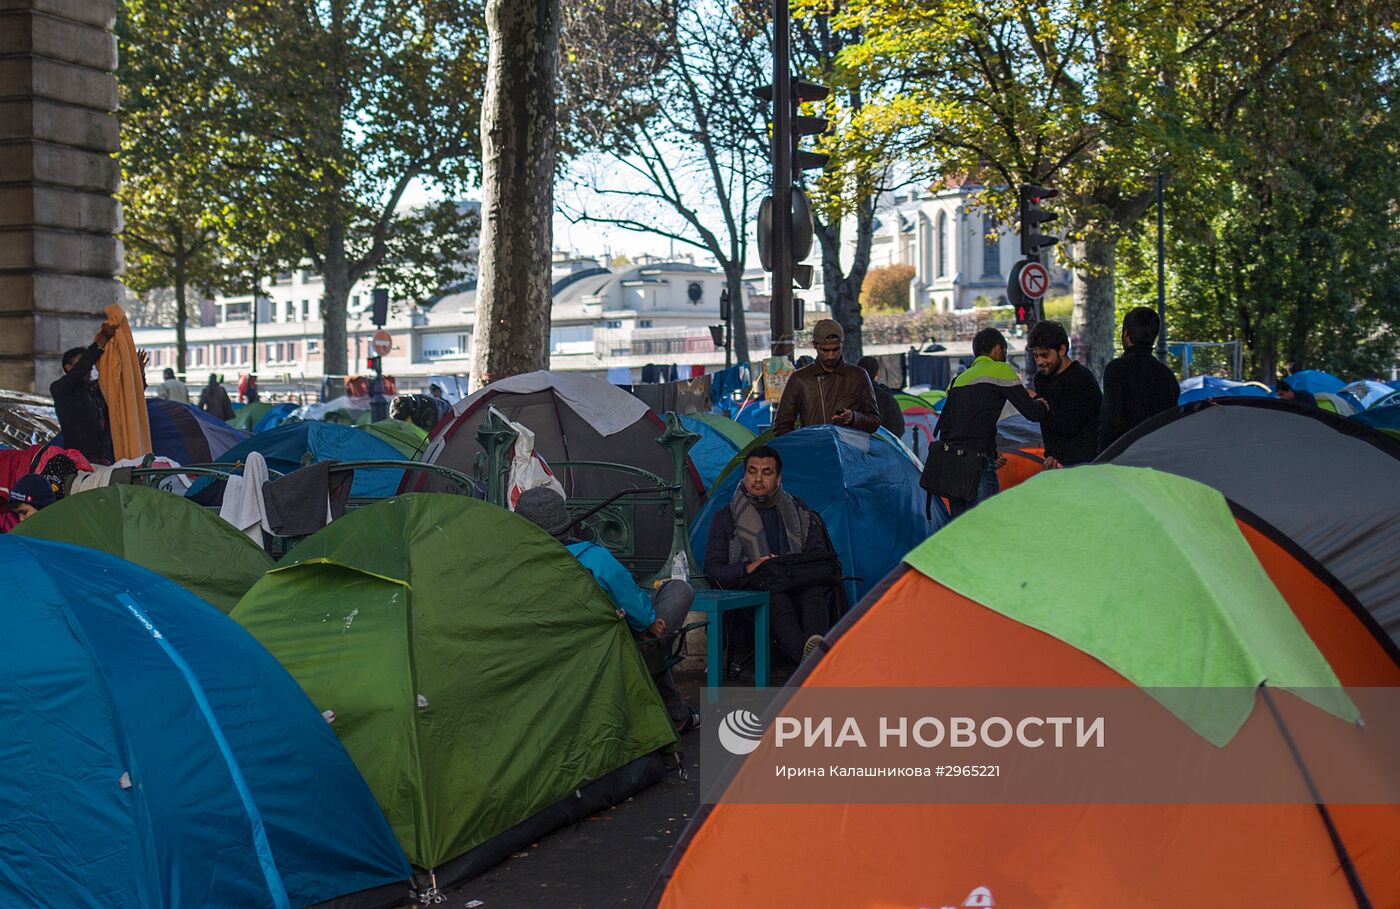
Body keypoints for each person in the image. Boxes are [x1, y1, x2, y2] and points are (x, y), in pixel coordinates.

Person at [513, 486, 700, 733]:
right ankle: (677, 715)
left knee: (648, 635)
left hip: (546, 656)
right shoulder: (593, 559)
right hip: (607, 653)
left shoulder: (513, 566)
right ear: (566, 522)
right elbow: (645, 617)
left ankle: (676, 713)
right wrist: (642, 624)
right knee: (677, 593)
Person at [704, 446, 836, 664]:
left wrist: (791, 566)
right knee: (775, 597)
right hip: (755, 589)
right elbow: (712, 569)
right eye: (752, 471)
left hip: (797, 582)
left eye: (766, 473)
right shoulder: (725, 517)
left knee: (814, 592)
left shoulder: (798, 510)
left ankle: (813, 658)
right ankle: (812, 664)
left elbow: (817, 555)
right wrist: (750, 567)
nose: (757, 479)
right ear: (744, 475)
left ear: (778, 478)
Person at [934, 328, 1049, 516]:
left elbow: (962, 424)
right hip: (977, 463)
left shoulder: (957, 381)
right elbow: (1031, 413)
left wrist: (993, 451)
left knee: (960, 528)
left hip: (952, 467)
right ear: (997, 349)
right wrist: (1042, 404)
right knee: (985, 524)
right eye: (1004, 350)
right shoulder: (999, 369)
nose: (1004, 355)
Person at [772, 320, 880, 436]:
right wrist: (802, 444)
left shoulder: (858, 376)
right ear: (814, 345)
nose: (831, 355)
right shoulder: (799, 378)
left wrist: (853, 417)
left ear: (842, 344)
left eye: (835, 349)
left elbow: (874, 421)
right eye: (825, 350)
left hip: (850, 450)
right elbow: (781, 426)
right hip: (813, 449)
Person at [1098, 307, 1181, 453]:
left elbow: (1110, 420)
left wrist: (1102, 458)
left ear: (1126, 335)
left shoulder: (1116, 369)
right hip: (1158, 456)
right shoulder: (1167, 375)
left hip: (1125, 456)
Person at [1027, 320, 1102, 467]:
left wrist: (1037, 401)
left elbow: (1067, 425)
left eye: (1045, 355)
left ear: (1061, 350)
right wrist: (1050, 455)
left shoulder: (1081, 378)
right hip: (1057, 463)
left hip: (1084, 464)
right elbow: (1048, 426)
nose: (1040, 361)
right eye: (1036, 356)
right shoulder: (1041, 379)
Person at [50, 322, 118, 465]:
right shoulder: (60, 388)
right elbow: (80, 369)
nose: (90, 366)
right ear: (68, 367)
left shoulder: (95, 389)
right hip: (80, 459)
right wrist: (102, 341)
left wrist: (137, 374)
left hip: (105, 457)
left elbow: (120, 395)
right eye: (83, 362)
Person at [856, 355, 906, 438]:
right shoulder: (886, 397)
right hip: (882, 446)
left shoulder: (848, 396)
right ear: (878, 372)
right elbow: (898, 427)